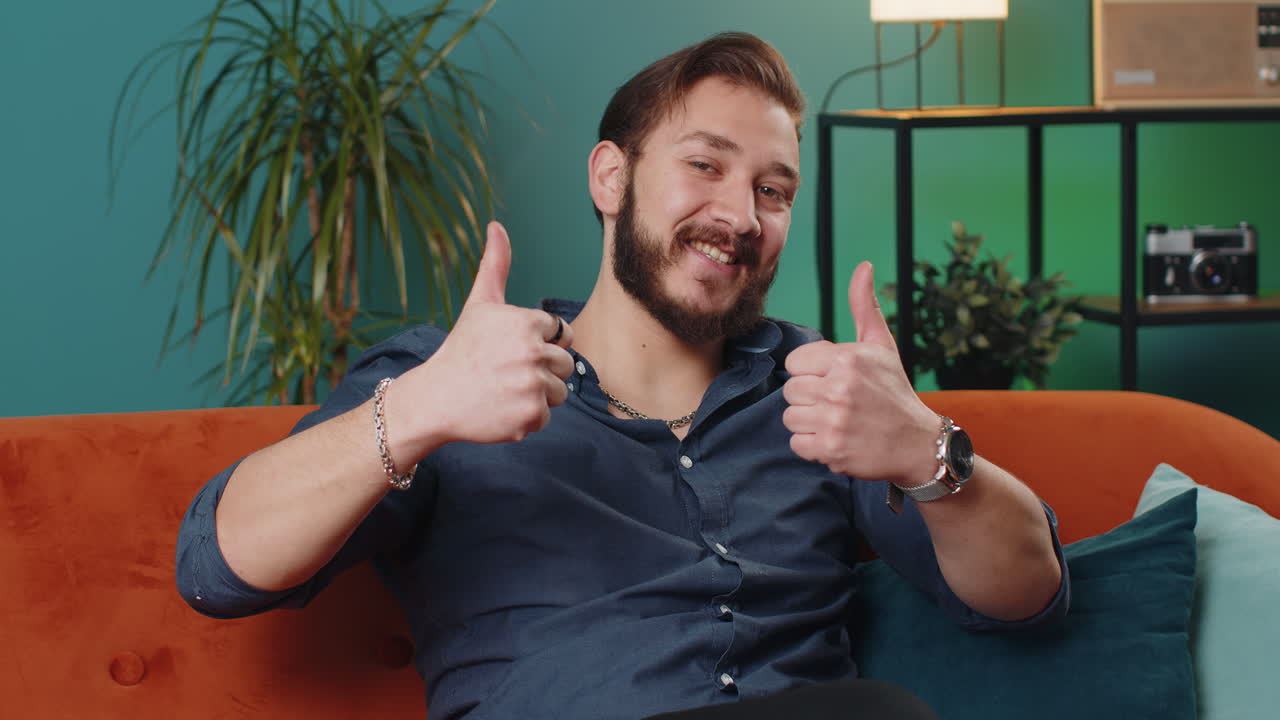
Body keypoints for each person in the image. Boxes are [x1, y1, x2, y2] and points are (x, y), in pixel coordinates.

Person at [176, 32, 1068, 720]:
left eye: (774, 189)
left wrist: (927, 451)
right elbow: (219, 568)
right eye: (705, 165)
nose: (741, 214)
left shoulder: (825, 391)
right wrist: (416, 411)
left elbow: (1032, 600)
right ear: (612, 176)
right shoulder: (454, 375)